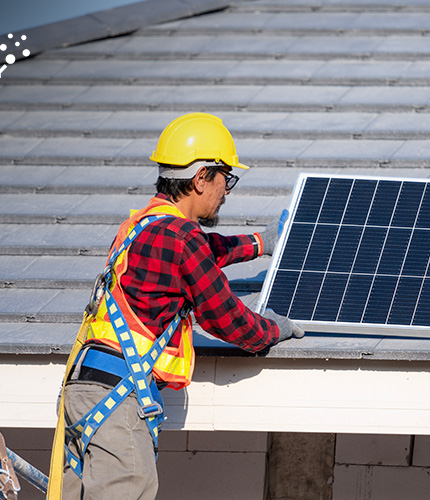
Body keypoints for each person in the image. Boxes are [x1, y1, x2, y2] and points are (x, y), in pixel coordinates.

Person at [47, 113, 303, 500]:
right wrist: (274, 329)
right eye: (225, 179)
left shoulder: (142, 224)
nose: (227, 191)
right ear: (201, 178)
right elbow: (228, 321)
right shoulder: (180, 237)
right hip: (117, 397)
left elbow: (203, 252)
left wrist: (258, 243)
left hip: (83, 390)